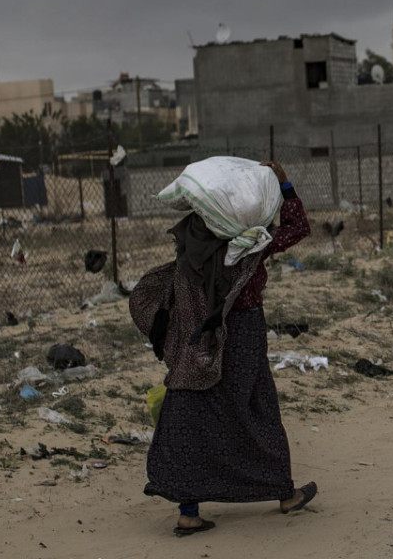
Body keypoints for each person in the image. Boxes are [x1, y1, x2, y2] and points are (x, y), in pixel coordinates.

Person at [131, 160, 317, 536]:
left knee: (192, 414)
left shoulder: (191, 245)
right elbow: (298, 228)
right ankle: (284, 493)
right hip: (244, 334)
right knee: (255, 408)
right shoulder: (251, 244)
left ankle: (188, 512)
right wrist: (284, 185)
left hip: (198, 342)